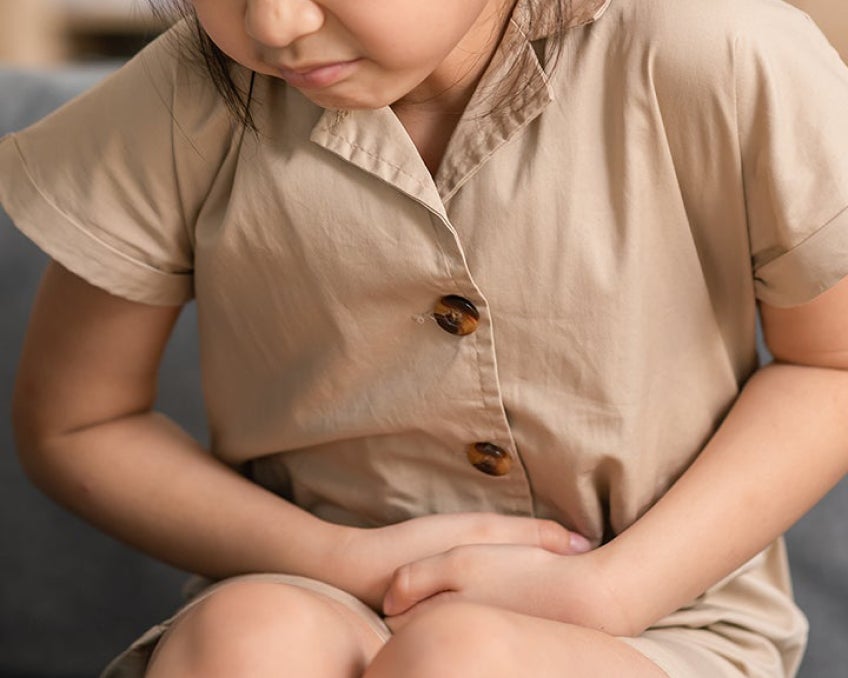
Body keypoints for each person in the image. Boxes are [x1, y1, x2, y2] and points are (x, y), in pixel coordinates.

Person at [2, 0, 847, 675]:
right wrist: (346, 560)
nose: (273, 23)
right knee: (246, 641)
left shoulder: (719, 51)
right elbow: (79, 423)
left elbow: (832, 365)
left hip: (660, 615)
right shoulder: (185, 94)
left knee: (459, 661)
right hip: (312, 585)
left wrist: (609, 592)